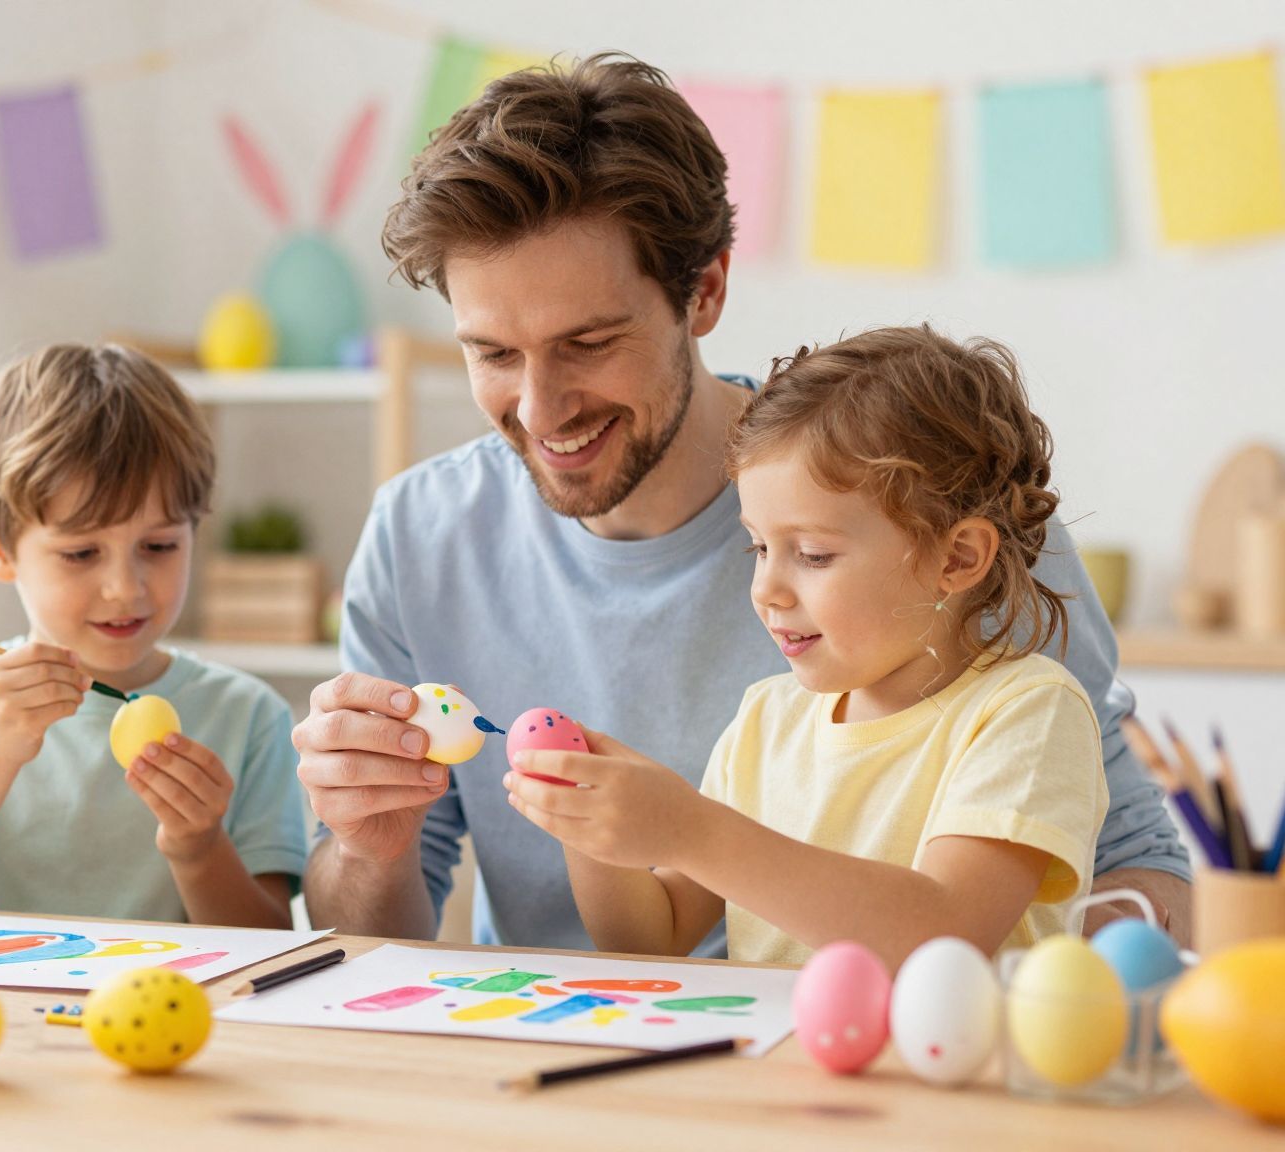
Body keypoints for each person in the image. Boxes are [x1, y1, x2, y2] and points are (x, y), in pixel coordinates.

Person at [294, 54, 1189, 952]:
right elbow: (598, 935)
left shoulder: (924, 493)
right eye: (492, 353)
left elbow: (1133, 862)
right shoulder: (421, 536)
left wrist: (1056, 998)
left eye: (589, 342)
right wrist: (372, 848)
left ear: (706, 291)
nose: (539, 408)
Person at [509, 326, 1107, 967]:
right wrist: (592, 823)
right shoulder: (769, 719)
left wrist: (694, 832)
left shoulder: (1026, 712)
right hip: (780, 1067)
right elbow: (653, 938)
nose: (766, 589)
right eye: (759, 547)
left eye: (813, 554)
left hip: (946, 1069)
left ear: (957, 557)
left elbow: (943, 932)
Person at [0, 344, 304, 927]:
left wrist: (198, 847)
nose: (125, 587)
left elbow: (270, 941)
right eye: (81, 552)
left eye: (160, 546)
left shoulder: (247, 717)